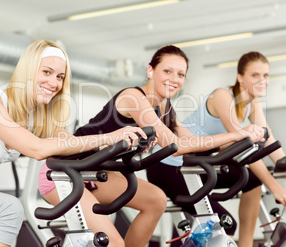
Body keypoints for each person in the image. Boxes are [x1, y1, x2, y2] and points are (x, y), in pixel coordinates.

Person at [38, 45, 266, 247]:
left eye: (181, 74)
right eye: (167, 71)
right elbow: (175, 145)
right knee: (113, 242)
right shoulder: (134, 98)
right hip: (63, 174)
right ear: (150, 71)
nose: (174, 79)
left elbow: (193, 142)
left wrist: (237, 139)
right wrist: (237, 132)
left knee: (156, 200)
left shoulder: (164, 109)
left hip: (96, 173)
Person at [0, 39, 147, 247]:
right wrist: (110, 137)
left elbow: (71, 143)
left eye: (60, 77)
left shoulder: (35, 116)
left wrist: (123, 142)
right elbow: (37, 149)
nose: (54, 83)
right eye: (47, 72)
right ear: (28, 70)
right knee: (9, 208)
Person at [153, 51, 286, 247]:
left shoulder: (253, 104)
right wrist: (276, 189)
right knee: (223, 224)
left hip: (198, 168)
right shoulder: (222, 96)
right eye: (255, 75)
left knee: (252, 180)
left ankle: (246, 244)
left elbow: (270, 144)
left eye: (266, 75)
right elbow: (243, 149)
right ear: (240, 77)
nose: (262, 80)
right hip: (169, 168)